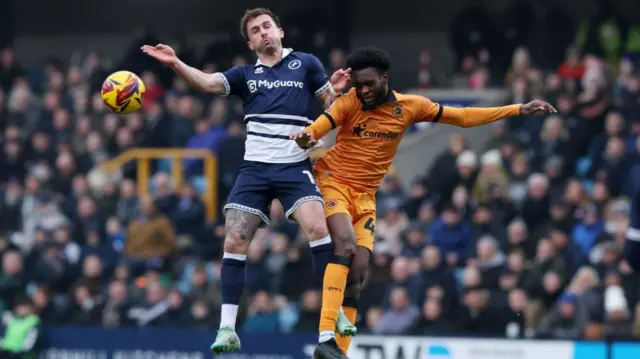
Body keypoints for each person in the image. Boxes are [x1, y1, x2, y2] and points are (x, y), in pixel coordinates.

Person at [291, 47, 556, 359]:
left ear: (384, 78)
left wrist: (517, 109)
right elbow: (321, 125)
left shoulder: (410, 106)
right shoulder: (348, 102)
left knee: (360, 272)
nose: (363, 91)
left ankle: (339, 353)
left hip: (366, 196)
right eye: (358, 85)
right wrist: (307, 137)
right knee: (346, 246)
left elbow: (463, 116)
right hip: (333, 182)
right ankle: (326, 338)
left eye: (369, 84)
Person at [142, 8, 354, 354]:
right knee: (235, 240)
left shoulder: (307, 64)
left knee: (319, 230)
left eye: (267, 26)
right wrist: (175, 63)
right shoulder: (245, 75)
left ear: (280, 31)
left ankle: (338, 313)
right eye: (255, 31)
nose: (263, 33)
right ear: (251, 42)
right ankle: (227, 328)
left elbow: (331, 105)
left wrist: (337, 93)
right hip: (255, 169)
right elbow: (208, 83)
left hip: (293, 165)